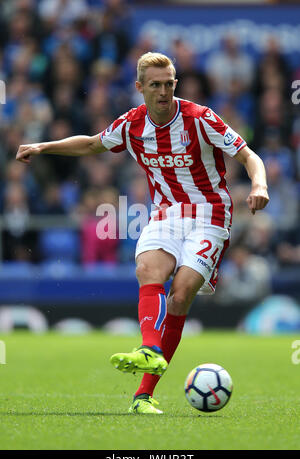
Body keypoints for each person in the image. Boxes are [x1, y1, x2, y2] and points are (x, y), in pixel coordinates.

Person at [16, 52, 269, 414]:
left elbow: (248, 155)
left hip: (210, 214)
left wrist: (258, 184)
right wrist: (43, 146)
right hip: (165, 214)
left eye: (170, 83)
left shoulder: (200, 118)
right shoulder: (131, 124)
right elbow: (91, 143)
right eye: (156, 85)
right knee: (147, 270)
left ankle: (143, 391)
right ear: (139, 88)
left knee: (180, 295)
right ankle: (149, 355)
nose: (164, 91)